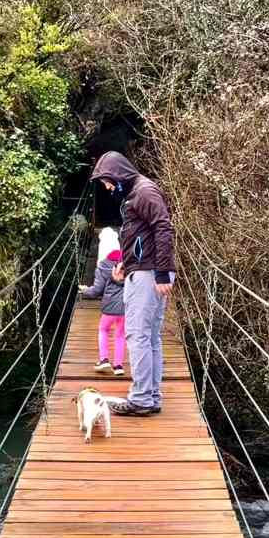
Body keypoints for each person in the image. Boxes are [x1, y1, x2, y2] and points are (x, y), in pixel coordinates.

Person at [89, 151, 175, 416]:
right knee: (149, 337)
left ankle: (140, 399)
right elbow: (142, 235)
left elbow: (164, 228)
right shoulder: (135, 194)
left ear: (118, 174)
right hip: (145, 269)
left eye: (107, 181)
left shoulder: (143, 192)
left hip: (149, 274)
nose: (106, 187)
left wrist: (161, 273)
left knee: (137, 335)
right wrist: (127, 262)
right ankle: (150, 397)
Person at [78, 229, 126, 377]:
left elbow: (96, 291)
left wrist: (84, 290)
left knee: (103, 330)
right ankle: (118, 366)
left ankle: (104, 359)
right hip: (125, 307)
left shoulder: (103, 266)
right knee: (120, 335)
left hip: (109, 308)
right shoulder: (128, 262)